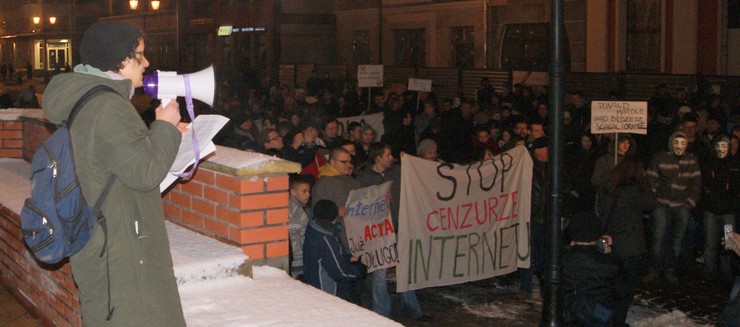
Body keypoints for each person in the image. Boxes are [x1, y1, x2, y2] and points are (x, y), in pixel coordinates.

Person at [41, 20, 185, 325]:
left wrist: (164, 135)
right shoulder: (108, 105)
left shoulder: (90, 97)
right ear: (120, 60)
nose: (146, 62)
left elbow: (117, 158)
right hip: (122, 248)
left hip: (104, 238)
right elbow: (144, 171)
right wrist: (164, 126)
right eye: (140, 55)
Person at [356, 143, 428, 320]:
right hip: (378, 231)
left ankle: (412, 309)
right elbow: (360, 205)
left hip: (398, 227)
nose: (391, 158)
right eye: (388, 155)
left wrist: (409, 160)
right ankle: (382, 314)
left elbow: (419, 171)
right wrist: (377, 197)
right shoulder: (364, 179)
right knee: (379, 274)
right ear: (378, 157)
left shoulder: (396, 171)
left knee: (405, 269)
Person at [597, 156, 657, 326]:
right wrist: (644, 183)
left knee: (608, 289)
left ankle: (604, 320)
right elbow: (651, 203)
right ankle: (617, 322)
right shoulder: (634, 190)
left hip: (610, 244)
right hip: (630, 247)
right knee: (625, 292)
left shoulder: (607, 188)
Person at [644, 130, 702, 284]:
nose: (679, 146)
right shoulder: (660, 157)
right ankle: (654, 269)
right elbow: (651, 179)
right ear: (671, 143)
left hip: (682, 205)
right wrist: (656, 199)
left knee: (677, 240)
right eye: (676, 143)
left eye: (683, 143)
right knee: (658, 238)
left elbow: (696, 183)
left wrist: (690, 202)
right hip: (661, 204)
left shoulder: (691, 160)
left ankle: (670, 269)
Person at [562, 212, 622, 327]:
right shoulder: (607, 264)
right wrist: (611, 254)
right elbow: (623, 289)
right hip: (600, 317)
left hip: (570, 317)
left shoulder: (563, 261)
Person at [303, 199, 363, 300]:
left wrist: (347, 259)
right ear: (333, 216)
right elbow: (340, 272)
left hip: (315, 285)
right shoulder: (326, 239)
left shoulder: (314, 228)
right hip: (328, 291)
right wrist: (361, 268)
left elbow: (330, 258)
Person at [700, 134, 739, 282]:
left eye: (725, 146)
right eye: (719, 145)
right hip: (710, 211)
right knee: (710, 245)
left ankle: (727, 278)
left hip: (728, 213)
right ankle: (708, 277)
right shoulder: (709, 163)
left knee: (728, 245)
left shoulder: (735, 164)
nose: (721, 149)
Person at [288, 176, 311, 279]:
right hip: (297, 257)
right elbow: (294, 233)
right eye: (304, 191)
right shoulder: (294, 209)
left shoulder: (298, 208)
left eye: (308, 191)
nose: (308, 195)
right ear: (293, 192)